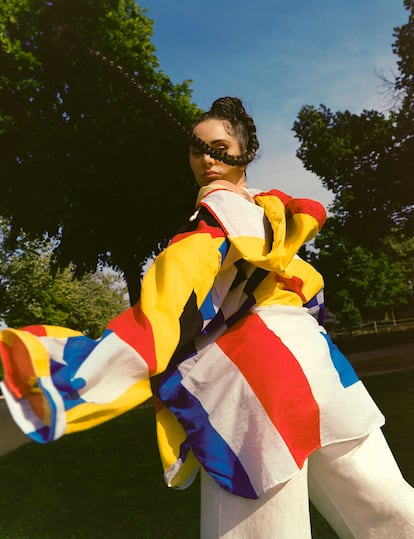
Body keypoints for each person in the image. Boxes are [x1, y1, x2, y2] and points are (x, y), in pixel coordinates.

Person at [1, 97, 413, 538]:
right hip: (325, 378)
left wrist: (62, 368)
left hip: (254, 391)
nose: (205, 159)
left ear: (245, 151)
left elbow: (164, 311)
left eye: (217, 146)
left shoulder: (216, 218)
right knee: (389, 512)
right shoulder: (274, 217)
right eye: (196, 149)